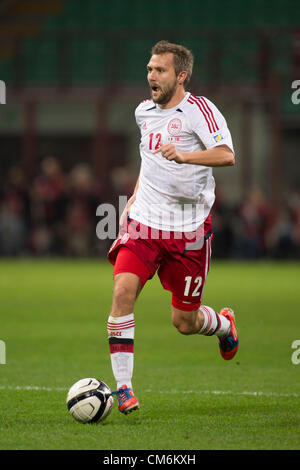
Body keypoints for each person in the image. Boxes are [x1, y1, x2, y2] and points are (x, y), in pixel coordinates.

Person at [107, 40, 238, 415]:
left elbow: (227, 155)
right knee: (122, 292)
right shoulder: (143, 113)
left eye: (160, 70)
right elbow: (149, 163)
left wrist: (185, 155)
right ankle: (123, 387)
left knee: (184, 321)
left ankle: (224, 324)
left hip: (189, 231)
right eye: (149, 69)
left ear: (180, 76)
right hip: (144, 223)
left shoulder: (201, 111)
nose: (151, 76)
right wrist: (133, 197)